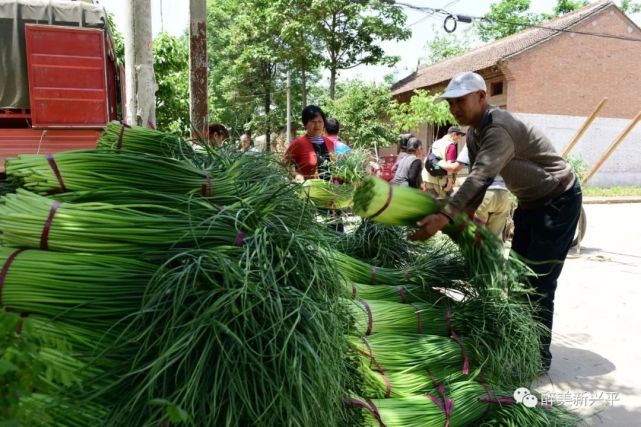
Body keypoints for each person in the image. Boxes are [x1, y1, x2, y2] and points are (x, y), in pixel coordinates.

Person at [410, 71, 582, 372]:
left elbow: (480, 177)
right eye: (451, 104)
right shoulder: (476, 133)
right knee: (518, 277)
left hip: (558, 201)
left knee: (539, 282)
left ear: (481, 97)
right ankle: (521, 343)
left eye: (460, 101)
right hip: (530, 203)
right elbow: (478, 185)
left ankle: (537, 357)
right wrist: (460, 220)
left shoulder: (498, 128)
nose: (455, 109)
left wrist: (444, 216)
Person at [450, 145, 512, 240]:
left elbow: (456, 167)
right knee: (494, 240)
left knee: (476, 237)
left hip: (482, 192)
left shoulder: (475, 139)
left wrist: (440, 163)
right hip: (504, 193)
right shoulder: (508, 140)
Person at [284, 105, 335, 181]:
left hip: (329, 189)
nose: (317, 125)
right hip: (307, 190)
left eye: (320, 121)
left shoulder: (330, 143)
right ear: (305, 124)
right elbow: (285, 164)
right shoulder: (298, 144)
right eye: (313, 122)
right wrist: (296, 175)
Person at [425, 126, 465, 198]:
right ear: (453, 134)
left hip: (428, 178)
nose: (459, 139)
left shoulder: (436, 142)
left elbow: (428, 158)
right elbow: (450, 166)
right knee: (450, 203)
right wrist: (449, 183)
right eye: (459, 136)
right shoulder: (451, 146)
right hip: (441, 181)